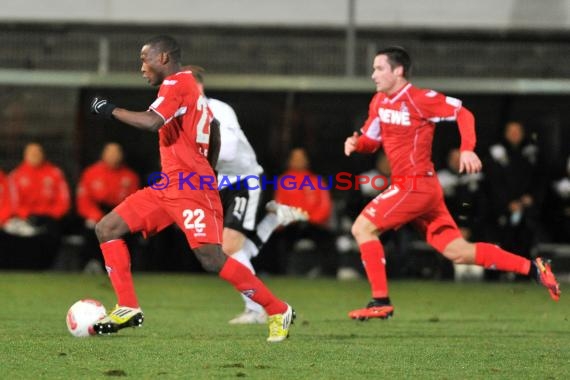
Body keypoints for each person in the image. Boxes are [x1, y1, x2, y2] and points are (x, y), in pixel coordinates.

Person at [89, 35, 294, 342]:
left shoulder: (175, 84)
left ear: (163, 58)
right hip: (170, 186)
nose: (141, 67)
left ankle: (277, 309)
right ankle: (128, 306)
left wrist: (109, 109)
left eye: (145, 59)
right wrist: (208, 167)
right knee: (108, 228)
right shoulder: (191, 90)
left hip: (191, 189)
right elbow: (212, 130)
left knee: (213, 258)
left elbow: (150, 123)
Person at [343, 46, 560, 320]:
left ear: (398, 71)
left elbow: (464, 113)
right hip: (418, 188)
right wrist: (356, 143)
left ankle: (380, 301)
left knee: (362, 228)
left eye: (379, 68)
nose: (373, 75)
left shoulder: (420, 99)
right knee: (458, 252)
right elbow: (372, 141)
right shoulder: (379, 102)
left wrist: (467, 148)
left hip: (415, 185)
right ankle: (534, 269)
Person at [189, 66, 308, 324]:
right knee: (231, 251)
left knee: (230, 247)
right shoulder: (182, 116)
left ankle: (256, 310)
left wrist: (196, 155)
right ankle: (272, 220)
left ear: (199, 87)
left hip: (244, 178)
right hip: (216, 185)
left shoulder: (218, 110)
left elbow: (229, 151)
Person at [5, 142, 71, 269]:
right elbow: (13, 203)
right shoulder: (16, 175)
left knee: (53, 231)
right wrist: (27, 215)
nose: (34, 155)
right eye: (31, 153)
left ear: (43, 154)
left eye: (37, 152)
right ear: (25, 155)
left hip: (51, 217)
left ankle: (49, 267)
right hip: (26, 218)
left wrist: (52, 215)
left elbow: (63, 200)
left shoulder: (55, 173)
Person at [76, 142, 140, 271]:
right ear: (103, 154)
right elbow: (83, 200)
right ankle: (92, 262)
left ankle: (123, 265)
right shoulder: (91, 173)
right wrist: (96, 215)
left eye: (116, 153)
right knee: (91, 226)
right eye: (110, 152)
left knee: (129, 229)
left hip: (120, 213)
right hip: (97, 212)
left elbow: (136, 202)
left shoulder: (130, 176)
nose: (113, 156)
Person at [483, 121, 541, 261]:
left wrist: (530, 197)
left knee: (525, 240)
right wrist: (507, 202)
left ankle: (524, 274)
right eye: (511, 131)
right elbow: (492, 183)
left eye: (518, 131)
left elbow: (538, 179)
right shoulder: (496, 152)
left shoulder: (531, 152)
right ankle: (500, 275)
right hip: (500, 208)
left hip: (525, 207)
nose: (515, 135)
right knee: (502, 241)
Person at [273, 148, 335, 276]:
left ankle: (329, 274)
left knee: (327, 240)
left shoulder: (316, 180)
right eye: (295, 158)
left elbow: (325, 206)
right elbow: (279, 206)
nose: (298, 161)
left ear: (306, 161)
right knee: (278, 240)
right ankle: (281, 273)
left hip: (314, 224)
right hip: (291, 224)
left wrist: (310, 220)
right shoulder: (283, 181)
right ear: (289, 161)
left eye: (301, 158)